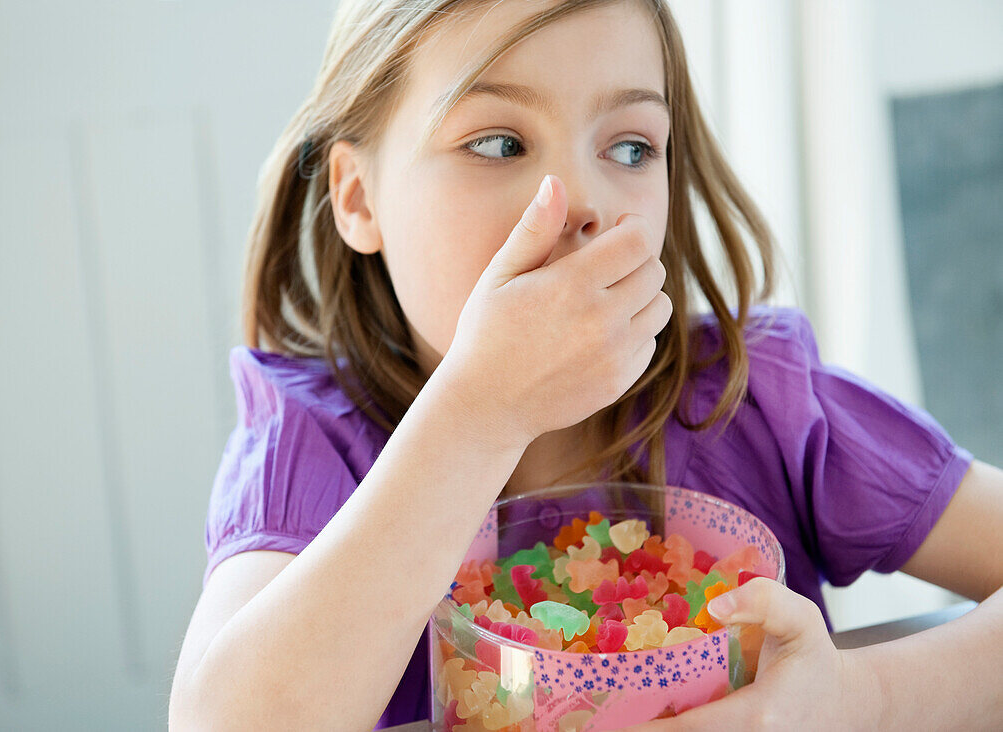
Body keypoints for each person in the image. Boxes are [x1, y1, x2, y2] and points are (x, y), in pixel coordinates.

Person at [168, 1, 1003, 729]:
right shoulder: (308, 442)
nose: (584, 200)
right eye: (498, 142)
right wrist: (478, 412)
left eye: (632, 147)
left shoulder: (764, 401)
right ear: (357, 197)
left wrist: (872, 703)